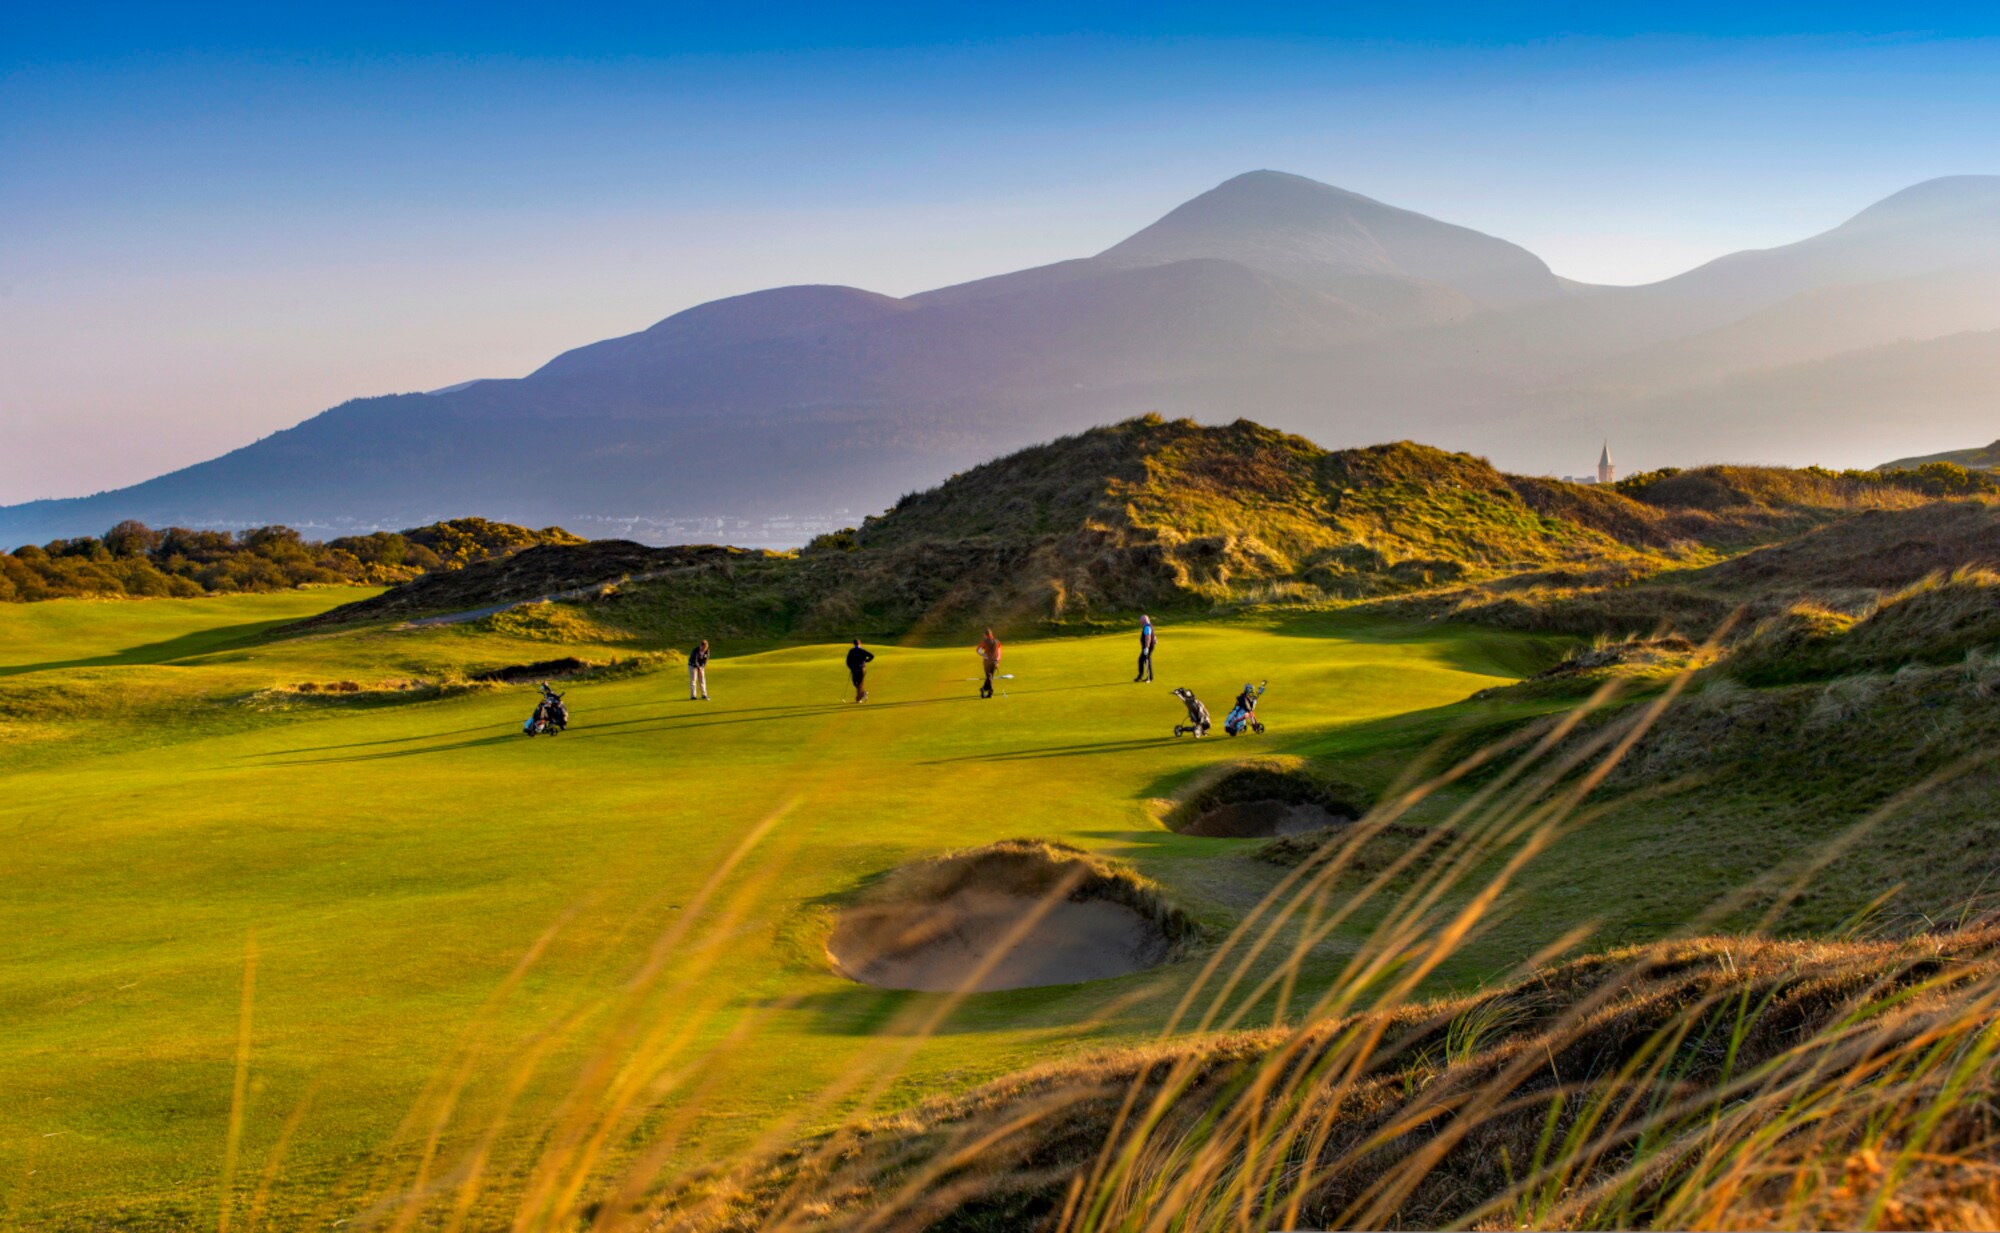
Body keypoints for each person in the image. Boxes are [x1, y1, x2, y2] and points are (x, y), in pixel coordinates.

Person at [974, 628, 1002, 698]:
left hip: (987, 661)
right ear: (991, 634)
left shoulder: (985, 642)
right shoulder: (997, 642)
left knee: (989, 676)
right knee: (990, 677)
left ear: (985, 635)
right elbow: (999, 652)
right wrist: (997, 661)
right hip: (994, 661)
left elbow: (978, 650)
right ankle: (986, 691)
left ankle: (988, 690)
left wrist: (983, 655)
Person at [845, 638, 874, 702]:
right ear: (860, 643)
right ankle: (863, 693)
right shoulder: (862, 650)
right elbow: (872, 656)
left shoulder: (851, 651)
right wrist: (866, 660)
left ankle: (858, 699)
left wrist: (851, 667)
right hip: (862, 669)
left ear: (853, 644)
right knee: (858, 684)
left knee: (857, 684)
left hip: (856, 669)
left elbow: (847, 661)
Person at [1135, 614, 1157, 683]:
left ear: (1143, 621)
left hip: (1148, 646)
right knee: (1144, 660)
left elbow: (1148, 637)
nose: (1140, 623)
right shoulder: (1149, 625)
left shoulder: (1147, 627)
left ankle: (1148, 677)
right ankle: (1145, 676)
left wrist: (1146, 648)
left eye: (1140, 622)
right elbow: (1152, 634)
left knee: (1145, 660)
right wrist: (1155, 639)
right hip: (1149, 646)